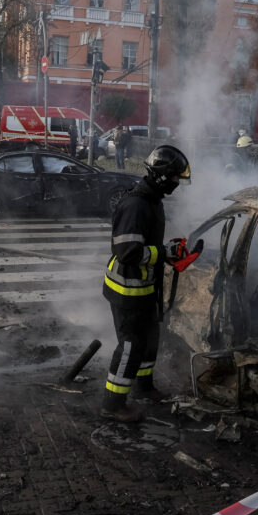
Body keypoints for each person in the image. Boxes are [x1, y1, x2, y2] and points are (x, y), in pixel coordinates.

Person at [101, 144, 198, 423]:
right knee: (131, 345)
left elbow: (147, 245)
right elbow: (128, 251)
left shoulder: (152, 199)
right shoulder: (136, 205)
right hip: (126, 290)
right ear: (162, 176)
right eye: (176, 178)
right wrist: (163, 253)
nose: (178, 183)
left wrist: (166, 252)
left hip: (143, 287)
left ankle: (144, 387)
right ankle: (112, 403)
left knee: (149, 339)